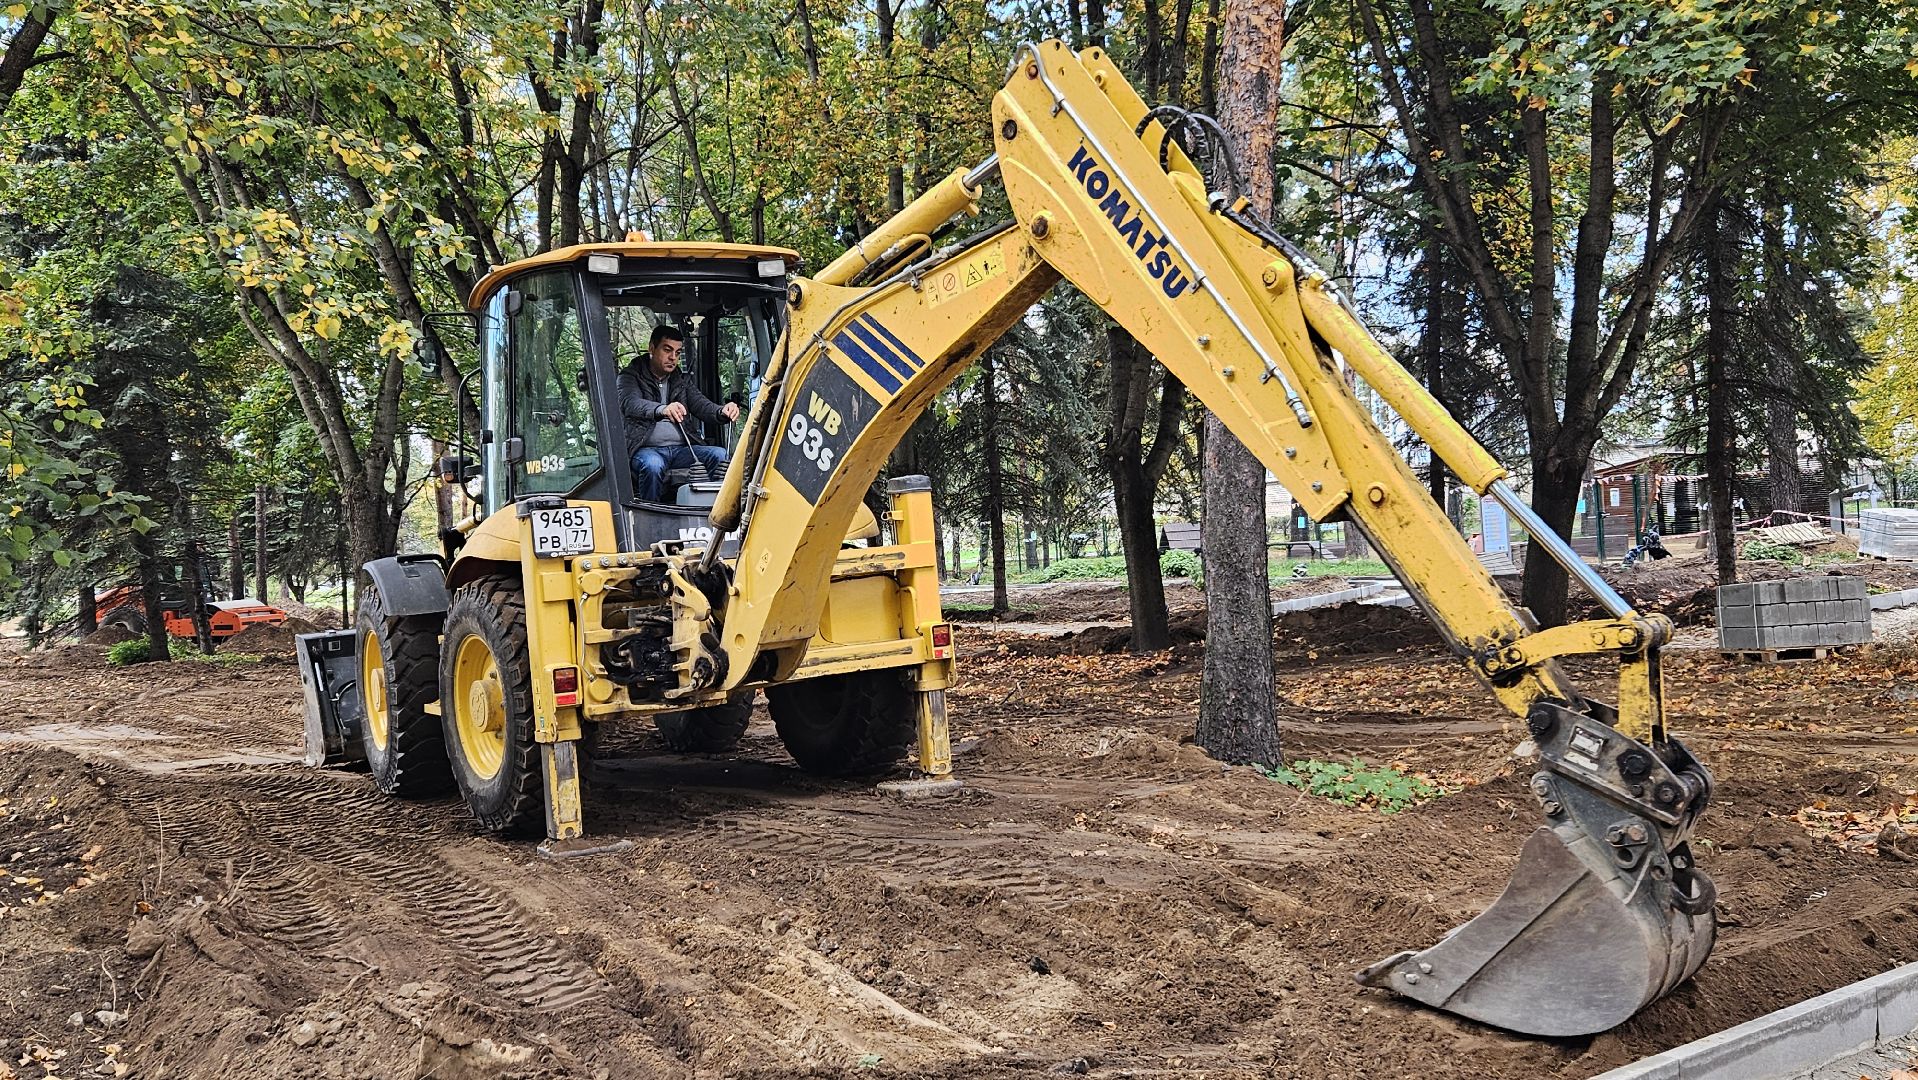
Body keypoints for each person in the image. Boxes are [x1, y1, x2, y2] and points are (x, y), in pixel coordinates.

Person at [617, 324, 740, 503]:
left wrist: (722, 410)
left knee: (720, 454)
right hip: (643, 449)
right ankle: (650, 513)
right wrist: (662, 409)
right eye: (667, 350)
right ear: (651, 348)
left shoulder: (681, 380)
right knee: (653, 465)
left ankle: (713, 512)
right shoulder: (629, 376)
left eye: (678, 352)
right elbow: (630, 403)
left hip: (682, 450)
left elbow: (702, 405)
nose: (673, 358)